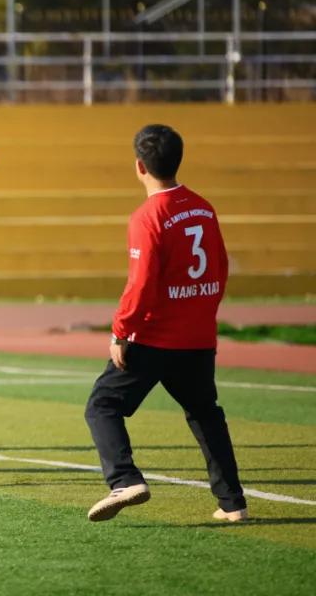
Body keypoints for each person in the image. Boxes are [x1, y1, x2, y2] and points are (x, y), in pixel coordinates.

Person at [85, 124, 247, 523]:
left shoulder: (148, 216)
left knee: (102, 405)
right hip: (197, 336)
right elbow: (221, 267)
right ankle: (233, 504)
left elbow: (140, 284)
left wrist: (121, 331)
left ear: (139, 166)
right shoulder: (204, 207)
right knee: (205, 412)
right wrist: (202, 315)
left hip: (155, 337)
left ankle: (124, 479)